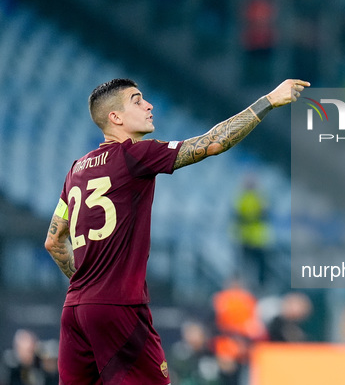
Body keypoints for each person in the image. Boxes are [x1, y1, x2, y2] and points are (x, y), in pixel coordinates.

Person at [44, 77, 310, 385]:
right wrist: (269, 100)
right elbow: (214, 142)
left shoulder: (76, 169)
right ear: (115, 117)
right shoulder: (135, 155)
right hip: (119, 307)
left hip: (75, 309)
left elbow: (54, 241)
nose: (149, 105)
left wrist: (88, 287)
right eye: (137, 100)